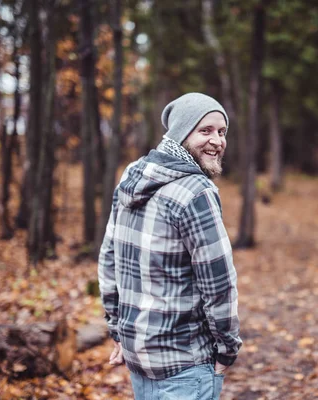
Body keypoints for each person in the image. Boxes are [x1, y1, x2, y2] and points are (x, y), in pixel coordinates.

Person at [98, 92, 242, 400]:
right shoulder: (196, 191)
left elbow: (109, 261)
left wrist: (119, 333)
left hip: (138, 358)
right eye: (205, 130)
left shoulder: (132, 176)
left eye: (221, 132)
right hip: (186, 365)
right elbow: (219, 283)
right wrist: (227, 349)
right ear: (180, 133)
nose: (217, 140)